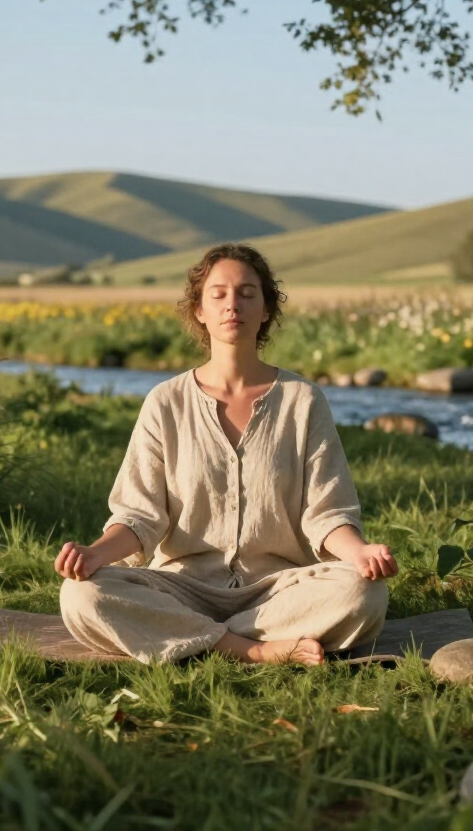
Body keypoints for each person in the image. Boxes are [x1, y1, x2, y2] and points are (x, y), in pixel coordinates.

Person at [56, 243, 396, 666]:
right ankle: (250, 649)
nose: (232, 305)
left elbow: (327, 513)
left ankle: (187, 636)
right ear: (199, 309)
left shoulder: (303, 401)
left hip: (278, 592)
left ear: (267, 309)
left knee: (364, 592)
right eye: (218, 294)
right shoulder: (166, 402)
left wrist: (359, 552)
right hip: (181, 587)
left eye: (247, 294)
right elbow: (138, 517)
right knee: (81, 594)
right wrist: (95, 554)